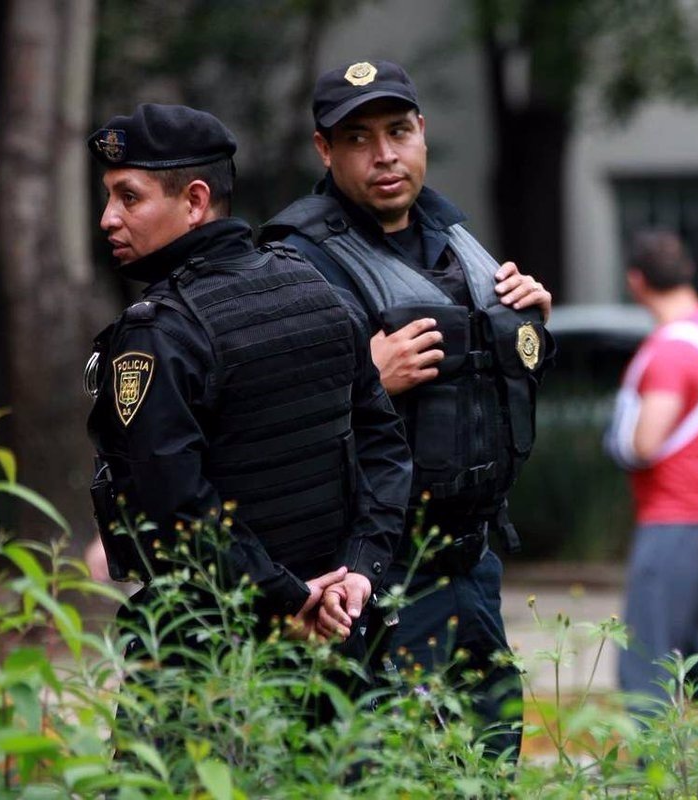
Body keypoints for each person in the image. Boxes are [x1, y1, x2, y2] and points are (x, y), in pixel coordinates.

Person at [260, 60, 554, 758]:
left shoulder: (458, 243)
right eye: (358, 138)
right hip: (368, 574)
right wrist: (370, 380)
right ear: (324, 150)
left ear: (422, 132)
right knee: (383, 766)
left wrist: (532, 329)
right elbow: (266, 425)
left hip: (471, 562)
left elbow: (496, 383)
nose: (384, 154)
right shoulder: (295, 263)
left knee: (488, 756)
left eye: (398, 131)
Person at [84, 103, 411, 652]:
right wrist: (357, 573)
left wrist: (288, 598)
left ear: (194, 202)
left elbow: (174, 507)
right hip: (337, 639)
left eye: (129, 196)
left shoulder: (158, 333)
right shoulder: (320, 292)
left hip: (214, 652)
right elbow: (386, 450)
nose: (108, 218)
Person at [605, 230, 698, 721]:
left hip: (672, 523)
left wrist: (619, 437)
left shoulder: (670, 352)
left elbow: (646, 442)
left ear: (636, 281)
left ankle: (653, 780)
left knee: (642, 664)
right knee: (685, 655)